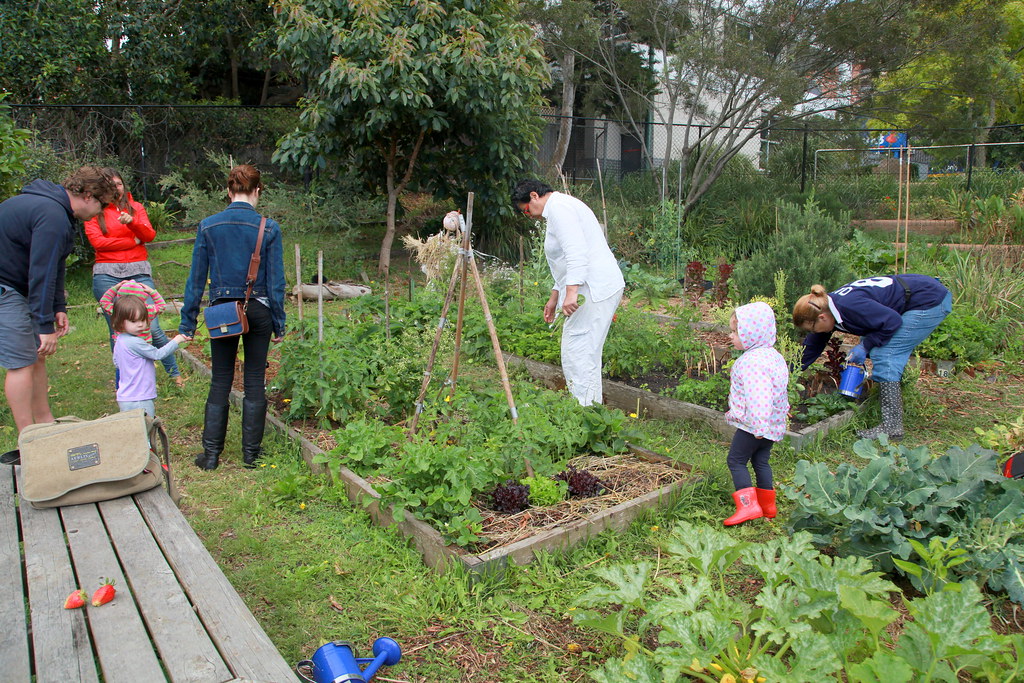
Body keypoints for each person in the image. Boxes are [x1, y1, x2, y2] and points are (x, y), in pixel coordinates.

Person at [179, 164, 286, 470]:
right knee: (254, 381)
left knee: (220, 380)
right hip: (259, 309)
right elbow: (276, 282)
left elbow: (196, 280)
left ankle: (211, 456)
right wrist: (279, 322)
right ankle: (251, 456)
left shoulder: (209, 225)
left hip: (223, 311)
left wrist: (188, 323)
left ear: (228, 191)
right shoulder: (269, 228)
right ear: (258, 191)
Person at [0, 167, 117, 431]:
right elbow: (39, 272)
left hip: (16, 287)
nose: (101, 211)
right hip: (5, 289)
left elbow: (54, 265)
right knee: (21, 363)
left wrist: (57, 307)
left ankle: (44, 423)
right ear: (87, 195)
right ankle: (27, 439)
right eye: (102, 204)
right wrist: (44, 327)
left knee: (36, 356)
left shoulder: (55, 210)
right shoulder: (51, 214)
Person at [792, 274, 952, 441]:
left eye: (812, 328)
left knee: (886, 354)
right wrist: (788, 372)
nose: (813, 333)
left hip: (929, 300)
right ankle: (888, 406)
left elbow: (892, 321)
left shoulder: (850, 306)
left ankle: (892, 427)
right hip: (916, 296)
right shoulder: (827, 307)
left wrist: (865, 346)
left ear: (822, 318)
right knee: (876, 343)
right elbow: (811, 348)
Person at [511, 179, 624, 406]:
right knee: (584, 350)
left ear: (534, 196)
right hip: (592, 285)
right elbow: (563, 261)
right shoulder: (559, 208)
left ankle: (585, 411)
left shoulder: (560, 208)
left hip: (592, 287)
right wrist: (555, 296)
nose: (528, 215)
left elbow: (576, 252)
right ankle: (589, 408)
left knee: (578, 351)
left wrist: (571, 293)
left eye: (525, 210)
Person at [84, 169, 183, 387]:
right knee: (117, 330)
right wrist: (133, 241)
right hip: (107, 274)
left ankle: (175, 375)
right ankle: (125, 381)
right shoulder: (94, 211)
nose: (115, 188)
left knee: (153, 326)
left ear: (124, 185)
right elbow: (98, 243)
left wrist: (132, 224)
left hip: (138, 271)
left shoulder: (136, 208)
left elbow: (149, 235)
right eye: (110, 184)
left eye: (118, 183)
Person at [722, 302, 789, 526]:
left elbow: (759, 397)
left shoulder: (751, 363)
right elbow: (777, 392)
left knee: (736, 460)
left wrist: (759, 427)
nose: (730, 336)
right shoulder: (773, 356)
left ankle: (748, 507)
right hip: (772, 424)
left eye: (735, 332)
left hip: (754, 425)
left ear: (751, 334)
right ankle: (768, 505)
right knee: (761, 460)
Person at [110, 296, 189, 416]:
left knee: (132, 430)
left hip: (125, 397)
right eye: (134, 321)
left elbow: (116, 362)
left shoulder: (119, 340)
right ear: (120, 322)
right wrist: (177, 340)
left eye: (142, 320)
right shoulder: (135, 342)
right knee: (145, 429)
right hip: (139, 398)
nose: (140, 325)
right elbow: (158, 354)